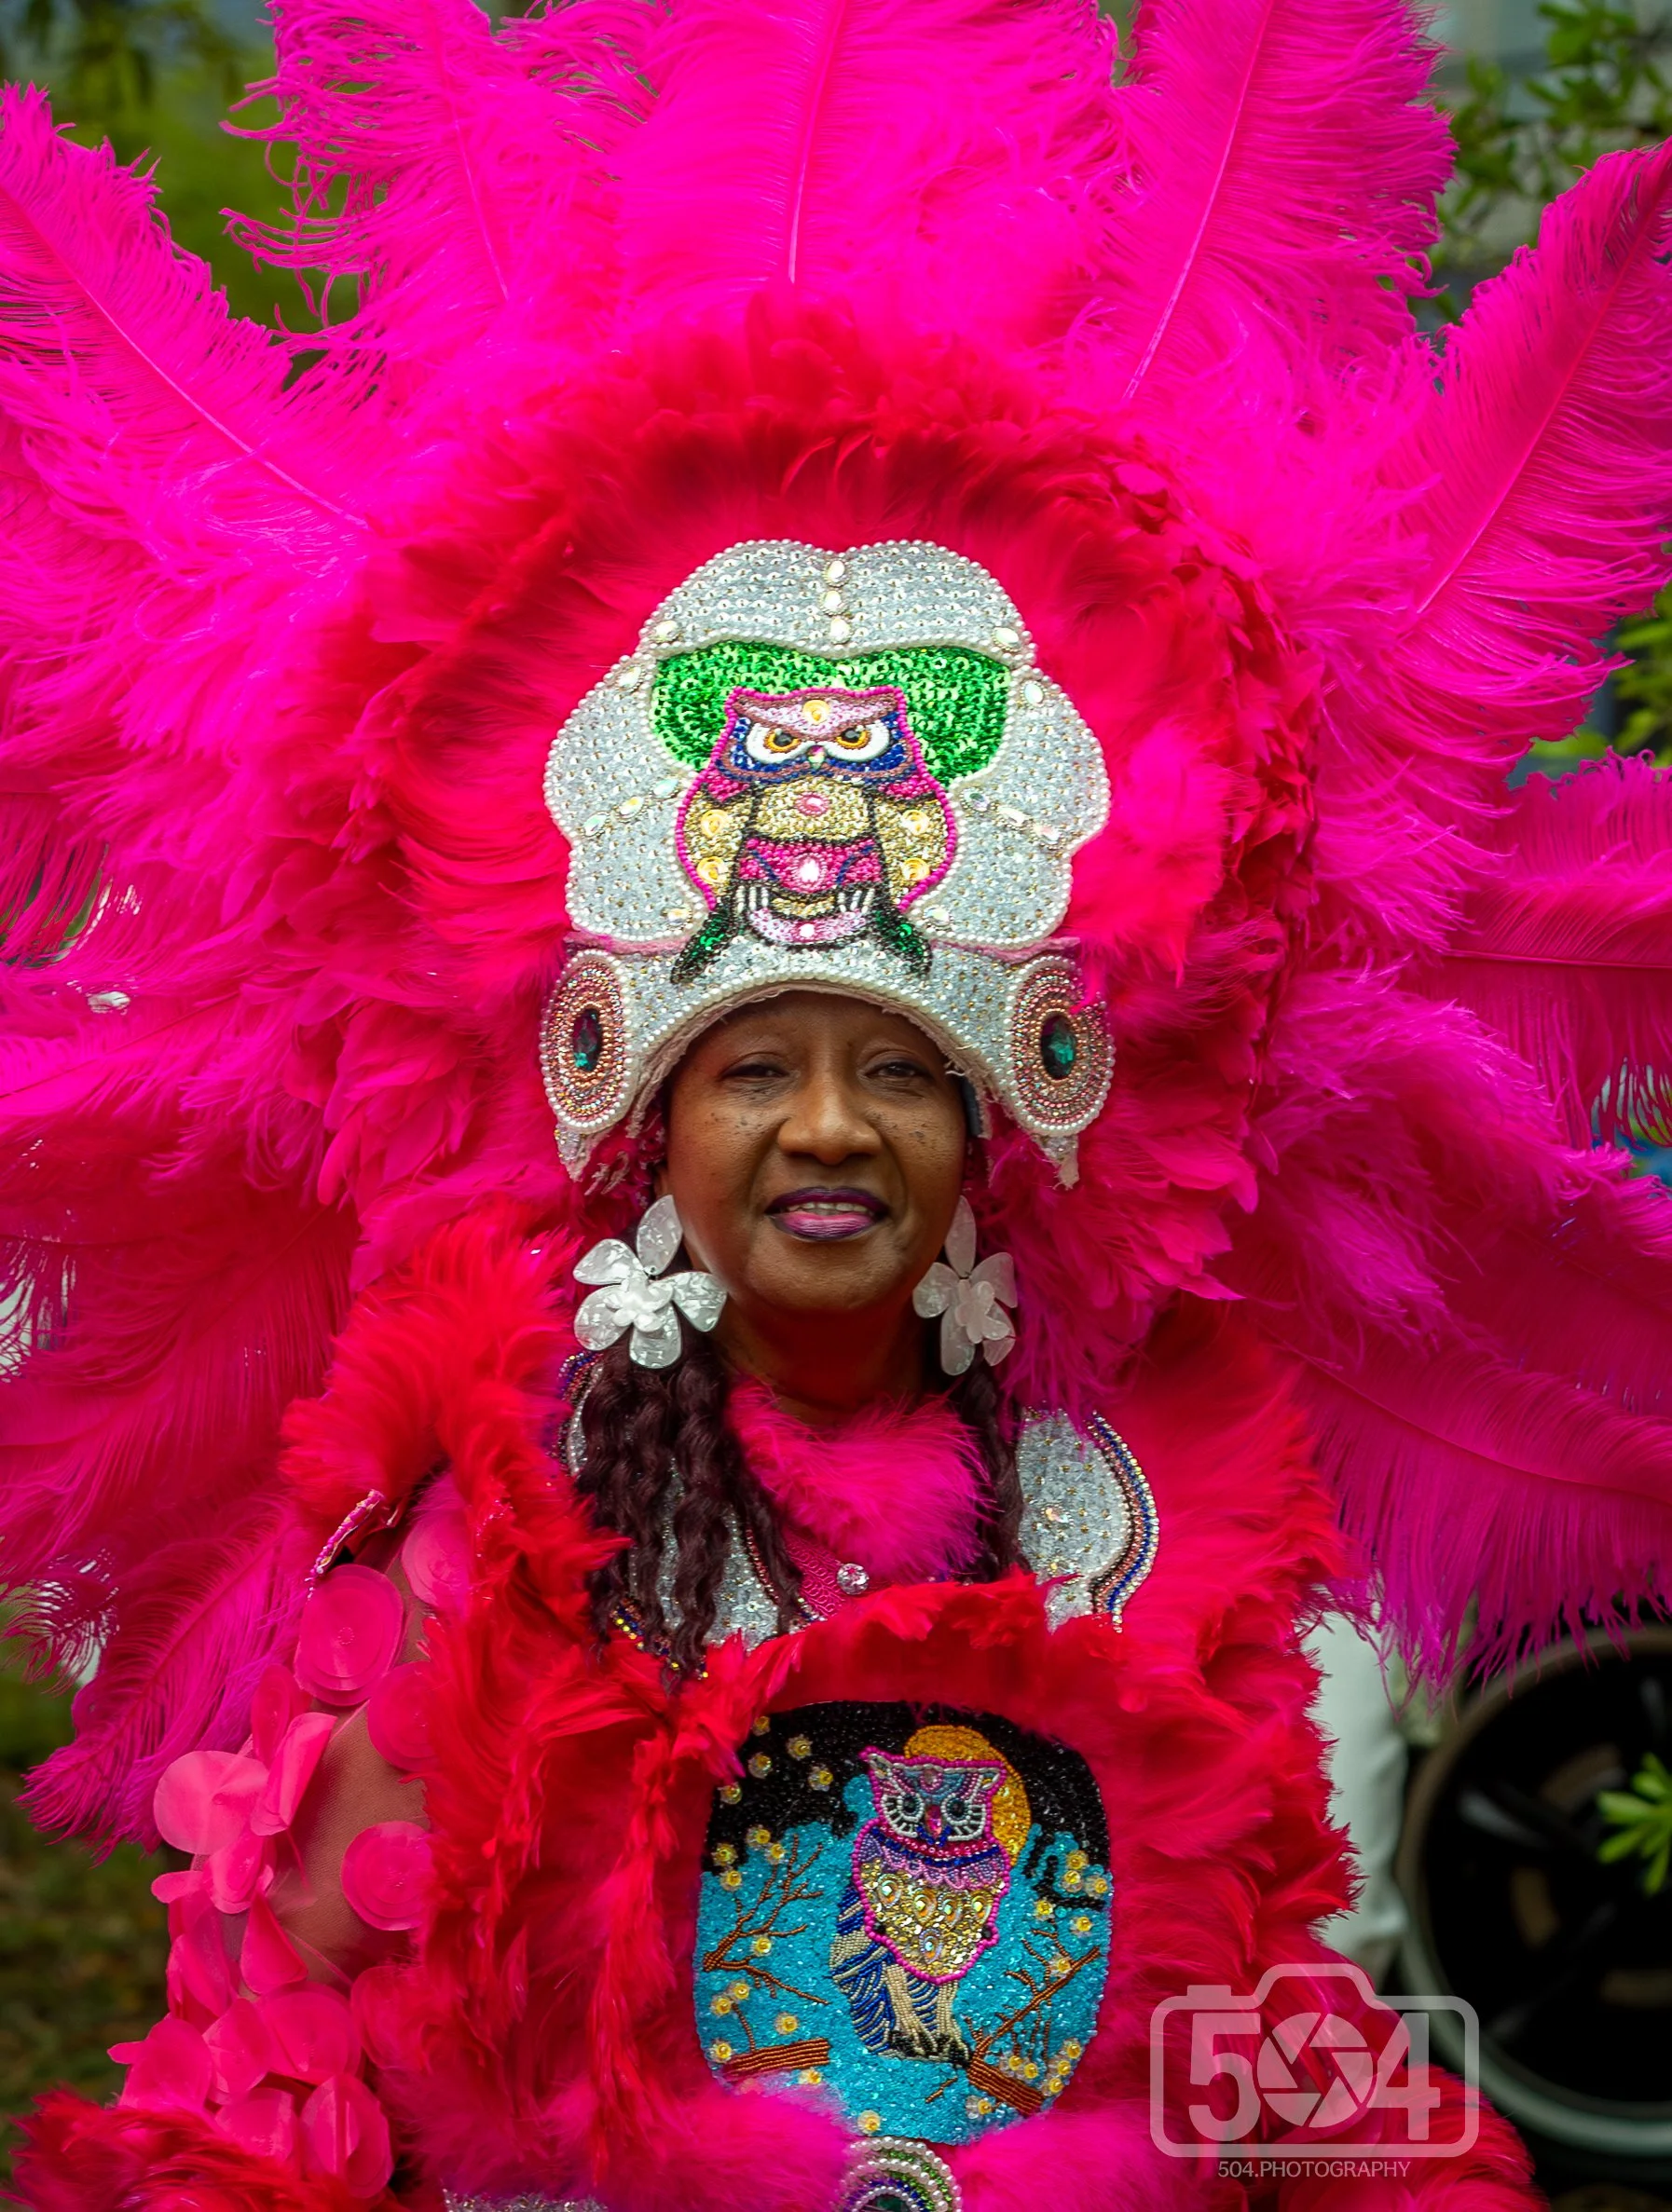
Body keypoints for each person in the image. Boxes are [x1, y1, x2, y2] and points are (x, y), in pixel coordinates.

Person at [2, 0, 1670, 2207]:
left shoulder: (1136, 1498)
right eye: (754, 1071)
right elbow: (277, 2064)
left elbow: (1248, 2009)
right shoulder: (487, 1525)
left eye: (901, 1070)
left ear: (1009, 1120)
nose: (825, 1128)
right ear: (633, 1115)